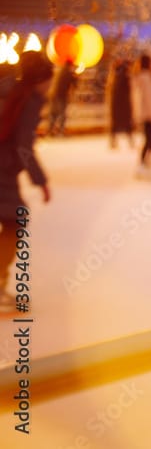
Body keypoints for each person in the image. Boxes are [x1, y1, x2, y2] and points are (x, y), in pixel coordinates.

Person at [0, 51, 52, 312]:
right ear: (41, 80)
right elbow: (23, 146)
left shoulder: (11, 90)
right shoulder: (28, 99)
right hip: (3, 169)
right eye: (48, 80)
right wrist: (40, 180)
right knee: (14, 221)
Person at [133, 54, 151, 176]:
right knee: (149, 139)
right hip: (148, 114)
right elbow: (150, 99)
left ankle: (146, 161)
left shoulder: (142, 77)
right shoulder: (146, 78)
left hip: (145, 113)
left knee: (150, 138)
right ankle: (142, 163)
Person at [107, 58, 134, 149]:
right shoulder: (124, 76)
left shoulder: (114, 77)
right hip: (123, 104)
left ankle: (114, 142)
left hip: (117, 104)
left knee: (116, 123)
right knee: (126, 123)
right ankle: (128, 141)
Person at [47, 59, 77, 136]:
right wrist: (76, 77)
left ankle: (50, 130)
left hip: (53, 94)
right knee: (61, 113)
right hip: (61, 95)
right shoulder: (68, 73)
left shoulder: (60, 71)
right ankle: (60, 131)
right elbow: (74, 85)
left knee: (53, 113)